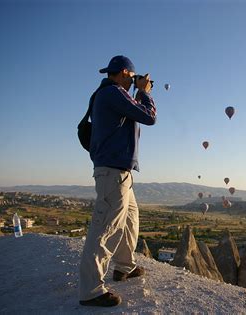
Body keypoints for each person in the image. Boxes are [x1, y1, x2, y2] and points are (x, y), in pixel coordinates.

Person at [79, 55, 157, 307]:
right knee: (105, 229)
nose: (134, 82)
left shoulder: (108, 94)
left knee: (130, 220)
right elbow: (149, 116)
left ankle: (124, 266)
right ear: (124, 72)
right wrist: (144, 92)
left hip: (121, 172)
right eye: (132, 78)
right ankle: (91, 290)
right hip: (113, 173)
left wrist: (136, 90)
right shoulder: (113, 92)